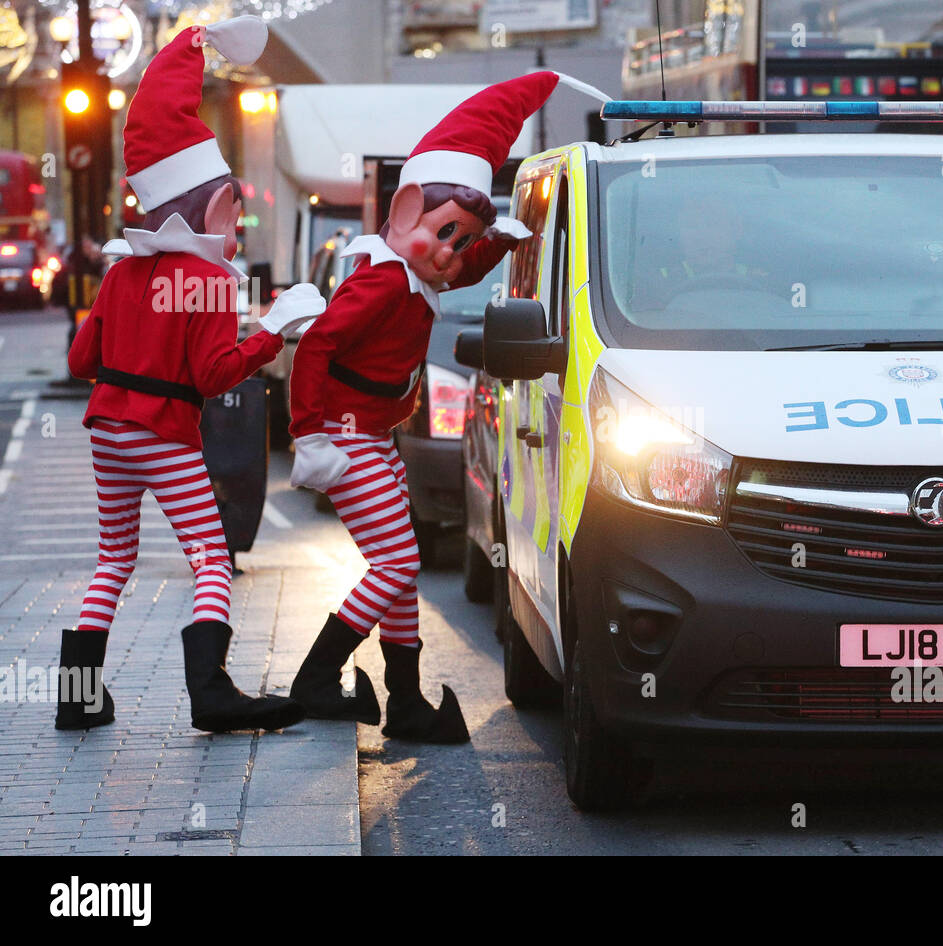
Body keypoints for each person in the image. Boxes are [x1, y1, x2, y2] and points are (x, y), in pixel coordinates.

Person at [286, 72, 594, 743]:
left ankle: (406, 700)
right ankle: (316, 677)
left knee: (399, 573)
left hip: (370, 438)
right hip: (346, 439)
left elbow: (459, 269)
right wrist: (309, 434)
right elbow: (316, 348)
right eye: (445, 234)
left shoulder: (411, 276)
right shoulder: (377, 280)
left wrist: (499, 243)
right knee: (397, 564)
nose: (450, 254)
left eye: (461, 240)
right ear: (402, 215)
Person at [58, 16, 322, 734]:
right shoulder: (208, 280)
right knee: (211, 555)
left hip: (106, 431)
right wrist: (271, 333)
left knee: (113, 559)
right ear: (211, 208)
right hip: (162, 433)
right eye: (234, 215)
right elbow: (211, 376)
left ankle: (77, 697)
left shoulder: (120, 275)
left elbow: (81, 361)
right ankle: (211, 692)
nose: (237, 231)